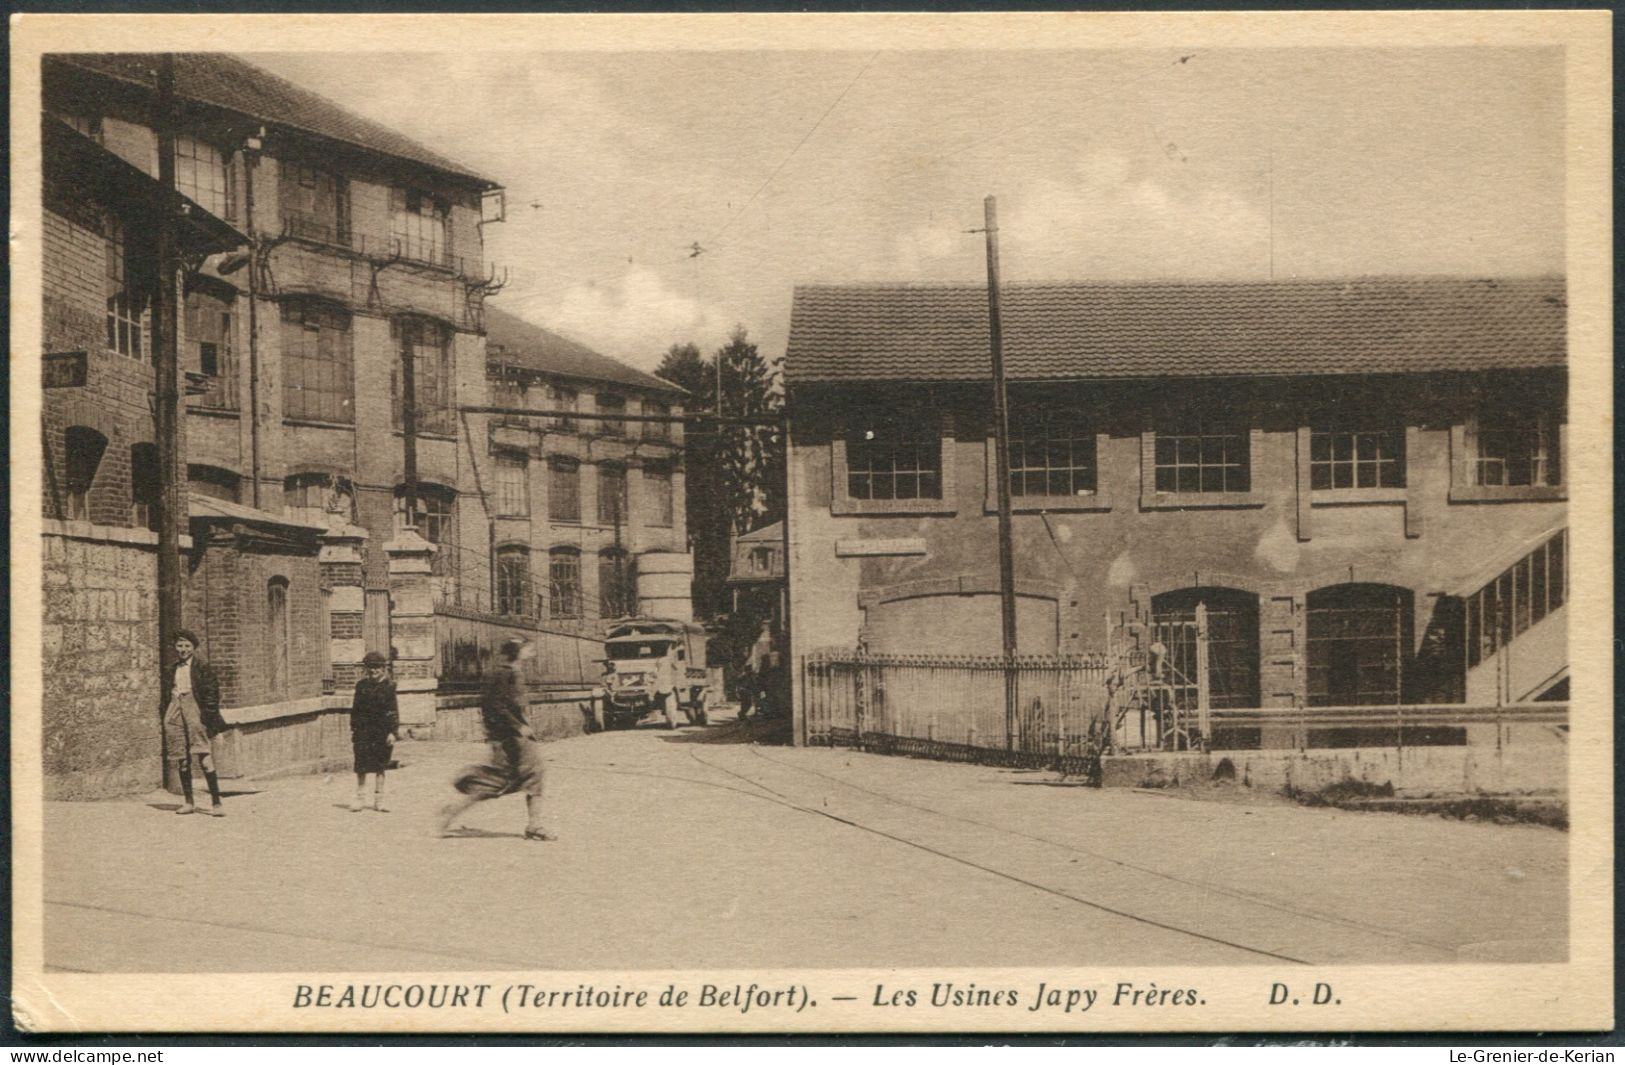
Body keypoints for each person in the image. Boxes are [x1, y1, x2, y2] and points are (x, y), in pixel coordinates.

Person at [436, 637, 555, 841]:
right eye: (528, 648)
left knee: (534, 774)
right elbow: (494, 706)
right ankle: (452, 810)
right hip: (508, 737)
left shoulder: (514, 672)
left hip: (517, 736)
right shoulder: (501, 674)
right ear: (517, 651)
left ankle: (535, 824)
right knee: (499, 782)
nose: (532, 652)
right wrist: (518, 727)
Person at [162, 629, 225, 816]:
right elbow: (166, 693)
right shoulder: (171, 669)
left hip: (195, 709)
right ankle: (189, 802)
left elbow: (212, 694)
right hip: (175, 708)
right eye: (179, 646)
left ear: (193, 648)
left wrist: (208, 718)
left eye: (187, 646)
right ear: (175, 647)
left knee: (203, 756)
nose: (183, 649)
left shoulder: (202, 668)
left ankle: (216, 803)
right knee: (181, 758)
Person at [349, 651, 399, 812]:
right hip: (363, 730)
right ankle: (360, 799)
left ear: (383, 668)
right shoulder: (361, 686)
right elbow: (355, 709)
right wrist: (354, 728)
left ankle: (379, 800)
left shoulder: (389, 686)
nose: (373, 671)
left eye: (377, 667)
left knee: (380, 765)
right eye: (370, 667)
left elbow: (393, 710)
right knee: (361, 765)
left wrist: (392, 732)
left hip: (381, 731)